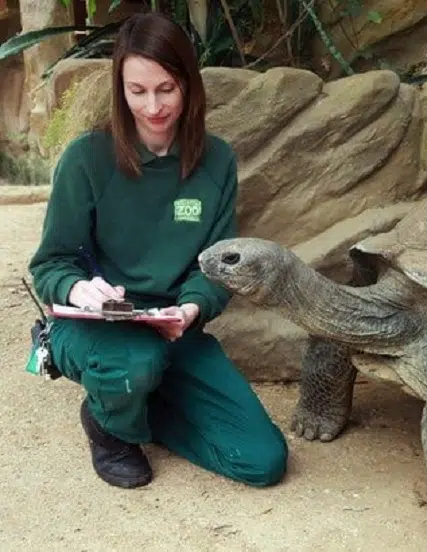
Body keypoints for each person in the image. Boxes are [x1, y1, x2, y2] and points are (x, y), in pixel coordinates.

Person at [27, 12, 288, 490]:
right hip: (97, 326)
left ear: (188, 83)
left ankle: (138, 404)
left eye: (166, 88)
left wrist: (191, 307)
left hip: (174, 329)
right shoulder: (86, 158)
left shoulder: (217, 161)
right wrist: (79, 288)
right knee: (132, 364)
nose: (152, 106)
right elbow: (50, 264)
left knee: (262, 460)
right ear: (120, 89)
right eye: (137, 90)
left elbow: (217, 263)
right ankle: (108, 426)